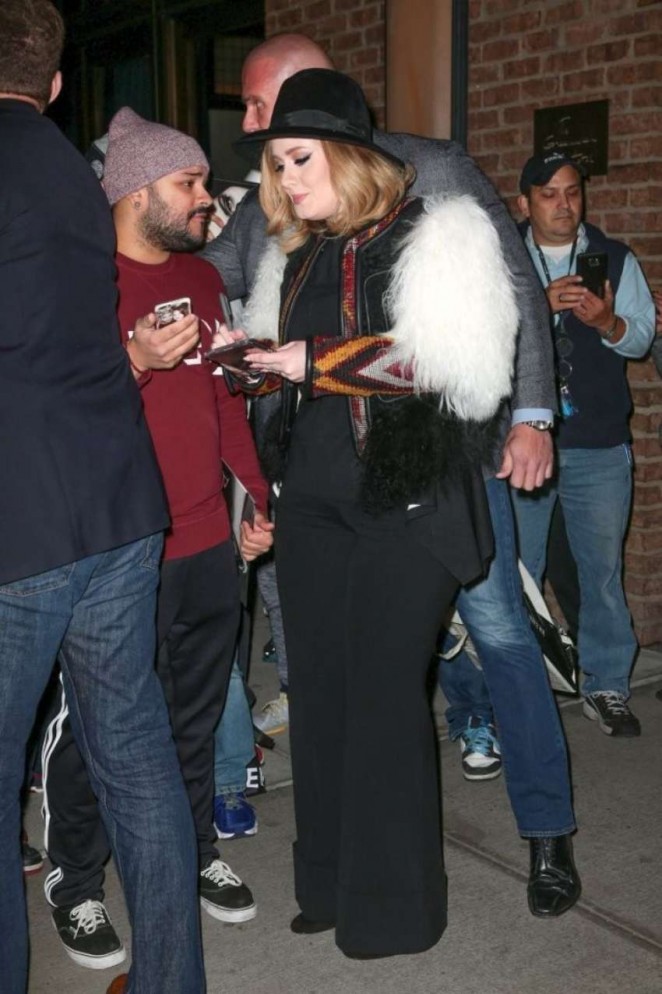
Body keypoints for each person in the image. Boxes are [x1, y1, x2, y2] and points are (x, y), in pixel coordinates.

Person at [202, 32, 582, 919]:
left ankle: (544, 834)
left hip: (430, 476)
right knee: (329, 684)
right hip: (320, 494)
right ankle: (336, 880)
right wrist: (234, 353)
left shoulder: (435, 181)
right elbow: (235, 301)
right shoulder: (289, 223)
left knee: (495, 639)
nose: (264, 145)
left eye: (269, 117)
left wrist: (533, 415)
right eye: (271, 150)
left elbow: (492, 319)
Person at [0, 4, 206, 993]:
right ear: (52, 84)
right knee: (136, 755)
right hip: (120, 502)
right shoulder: (74, 177)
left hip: (21, 523)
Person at [39, 107, 272, 980]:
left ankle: (192, 847)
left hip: (207, 537)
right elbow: (57, 417)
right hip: (118, 547)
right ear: (138, 191)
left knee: (194, 715)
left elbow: (221, 403)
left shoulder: (204, 280)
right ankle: (76, 880)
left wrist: (257, 496)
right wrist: (133, 357)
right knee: (96, 730)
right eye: (190, 182)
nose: (208, 198)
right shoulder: (78, 280)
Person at [513, 151, 655, 737]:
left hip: (597, 440)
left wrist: (607, 324)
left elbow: (641, 337)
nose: (563, 204)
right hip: (523, 442)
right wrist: (537, 309)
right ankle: (519, 692)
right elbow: (481, 339)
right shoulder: (505, 258)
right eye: (549, 194)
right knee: (519, 573)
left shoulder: (615, 258)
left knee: (600, 573)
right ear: (525, 203)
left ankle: (607, 685)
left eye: (572, 191)